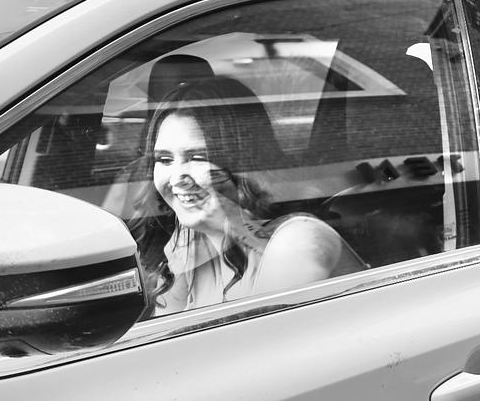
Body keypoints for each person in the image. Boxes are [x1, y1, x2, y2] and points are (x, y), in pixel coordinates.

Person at [129, 76, 362, 317]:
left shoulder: (298, 239)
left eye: (198, 157)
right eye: (164, 159)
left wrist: (230, 224)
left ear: (242, 163)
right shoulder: (190, 239)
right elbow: (169, 330)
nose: (177, 177)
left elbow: (269, 336)